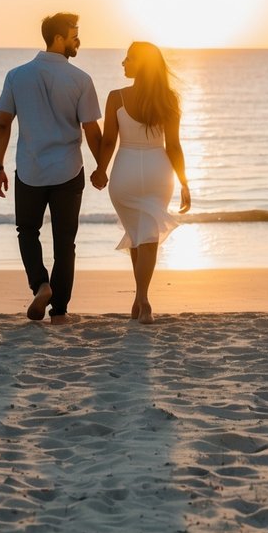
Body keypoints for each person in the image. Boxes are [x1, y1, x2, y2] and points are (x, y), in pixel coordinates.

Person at [0, 12, 101, 324]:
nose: (78, 40)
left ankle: (41, 284)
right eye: (74, 34)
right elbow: (93, 132)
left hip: (30, 169)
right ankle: (60, 309)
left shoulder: (17, 75)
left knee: (27, 231)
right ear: (58, 38)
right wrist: (102, 167)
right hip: (68, 170)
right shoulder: (80, 79)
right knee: (65, 241)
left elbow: (3, 125)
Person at [91, 41, 190, 324]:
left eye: (129, 58)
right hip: (159, 172)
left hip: (125, 171)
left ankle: (141, 298)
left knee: (140, 235)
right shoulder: (169, 99)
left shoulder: (116, 97)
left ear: (141, 65)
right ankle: (141, 298)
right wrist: (184, 182)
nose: (124, 63)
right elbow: (174, 146)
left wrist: (101, 169)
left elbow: (109, 140)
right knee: (145, 236)